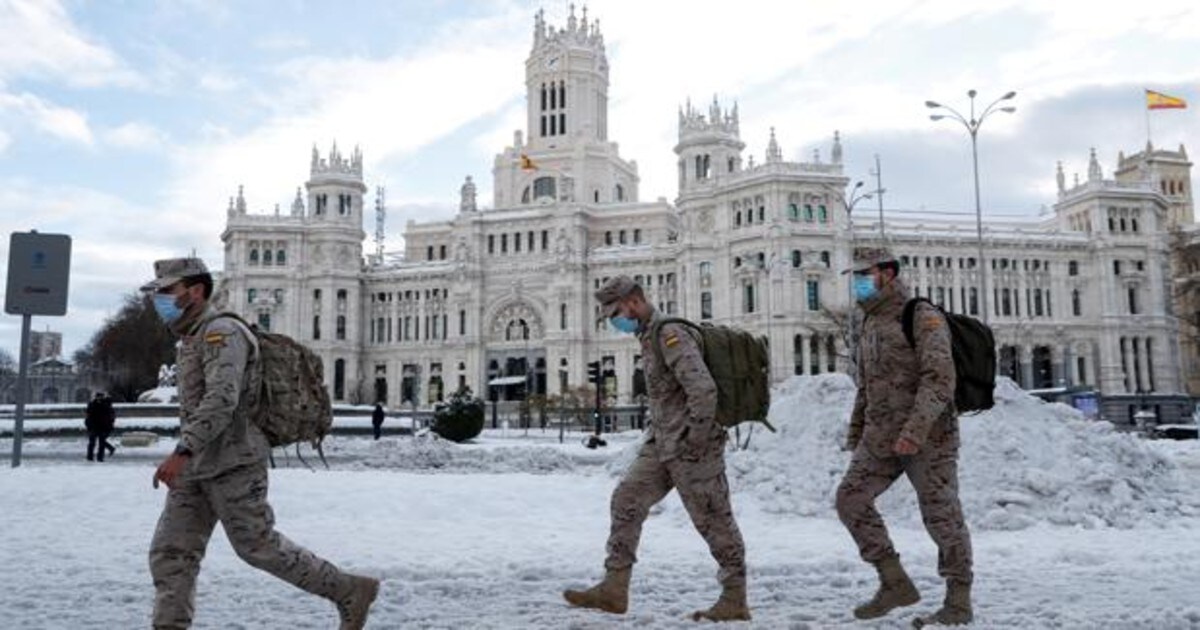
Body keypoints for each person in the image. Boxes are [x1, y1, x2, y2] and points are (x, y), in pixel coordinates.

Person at [142, 257, 379, 630]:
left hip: (233, 461)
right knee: (171, 552)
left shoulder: (222, 332)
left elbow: (222, 400)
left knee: (258, 546)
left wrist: (182, 450)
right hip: (197, 466)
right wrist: (189, 455)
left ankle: (348, 590)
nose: (160, 298)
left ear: (196, 290)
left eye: (168, 291)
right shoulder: (191, 337)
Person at [562, 276, 749, 621]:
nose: (614, 320)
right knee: (627, 499)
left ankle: (734, 597)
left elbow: (703, 390)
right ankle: (614, 588)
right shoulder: (648, 336)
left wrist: (695, 440)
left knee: (713, 520)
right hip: (662, 443)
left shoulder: (669, 334)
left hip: (693, 446)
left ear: (633, 302)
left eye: (616, 312)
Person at [835, 247, 973, 626]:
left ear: (889, 274)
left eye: (866, 273)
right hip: (880, 438)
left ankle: (958, 601)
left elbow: (940, 378)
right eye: (855, 274)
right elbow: (867, 385)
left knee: (942, 515)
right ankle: (894, 581)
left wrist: (915, 431)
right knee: (849, 499)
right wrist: (857, 431)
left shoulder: (921, 316)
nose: (859, 281)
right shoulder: (869, 323)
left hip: (929, 437)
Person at [84, 392, 116, 462]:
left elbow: (110, 416)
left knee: (100, 443)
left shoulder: (105, 405)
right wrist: (88, 424)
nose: (99, 398)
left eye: (100, 397)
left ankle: (99, 457)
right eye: (98, 397)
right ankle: (91, 457)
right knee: (93, 443)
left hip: (102, 426)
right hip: (95, 426)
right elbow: (88, 415)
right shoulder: (94, 405)